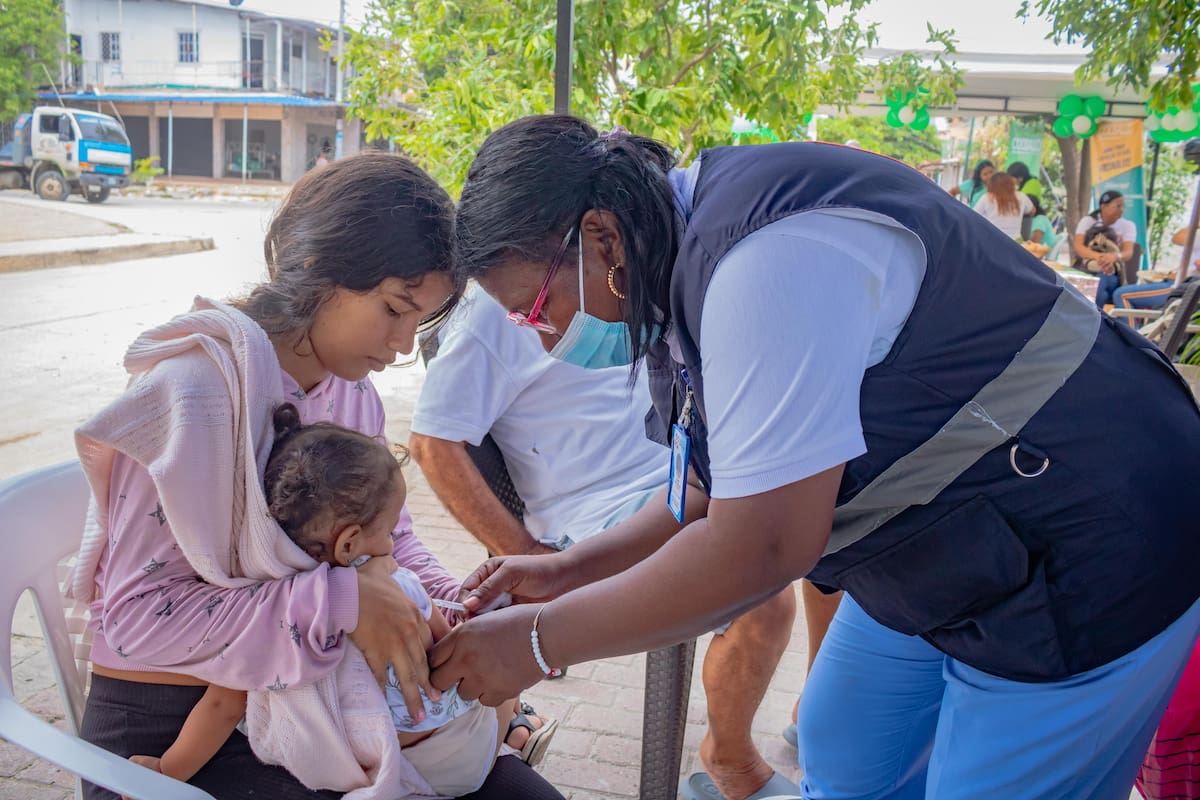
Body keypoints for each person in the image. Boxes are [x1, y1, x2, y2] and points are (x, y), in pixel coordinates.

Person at [430, 115, 1200, 800]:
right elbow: (704, 491)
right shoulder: (670, 269)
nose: (538, 335)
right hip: (949, 541)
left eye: (535, 309)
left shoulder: (764, 264)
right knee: (847, 750)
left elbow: (762, 547)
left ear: (599, 238)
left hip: (1090, 532)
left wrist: (538, 643)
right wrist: (567, 571)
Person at [70, 152, 564, 800]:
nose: (405, 343)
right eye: (394, 308)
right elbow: (140, 620)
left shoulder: (350, 394)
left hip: (308, 694)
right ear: (315, 267)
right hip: (170, 728)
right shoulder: (196, 394)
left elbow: (388, 537)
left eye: (421, 319)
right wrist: (343, 603)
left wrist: (453, 608)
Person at [408, 286, 804, 799]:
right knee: (761, 592)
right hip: (597, 510)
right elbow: (430, 444)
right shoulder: (493, 309)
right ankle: (730, 761)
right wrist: (530, 555)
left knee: (812, 520)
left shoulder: (609, 272)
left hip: (680, 471)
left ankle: (821, 715)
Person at [126, 404, 557, 797]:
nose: (393, 543)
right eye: (388, 531)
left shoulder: (265, 616)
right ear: (349, 544)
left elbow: (221, 705)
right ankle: (512, 722)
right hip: (451, 760)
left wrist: (165, 771)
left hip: (344, 764)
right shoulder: (399, 589)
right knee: (493, 687)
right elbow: (454, 647)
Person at [1111, 224, 1200, 322]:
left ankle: (1131, 336)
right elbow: (1177, 238)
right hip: (1176, 282)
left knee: (1121, 295)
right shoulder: (1196, 234)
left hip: (1181, 287)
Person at [1073, 189, 1137, 308]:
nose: (1121, 209)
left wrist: (1114, 256)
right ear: (1103, 206)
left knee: (1103, 277)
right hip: (1087, 268)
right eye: (1117, 206)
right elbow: (1078, 247)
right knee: (1102, 295)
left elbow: (1128, 252)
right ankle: (1095, 320)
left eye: (1123, 206)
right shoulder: (1088, 221)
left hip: (1112, 272)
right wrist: (1101, 258)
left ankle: (1087, 318)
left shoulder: (1128, 225)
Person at [972, 172, 1033, 239]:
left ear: (991, 185)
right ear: (1010, 184)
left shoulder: (987, 197)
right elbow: (1032, 211)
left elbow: (973, 216)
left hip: (994, 240)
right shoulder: (1021, 196)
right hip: (1016, 242)